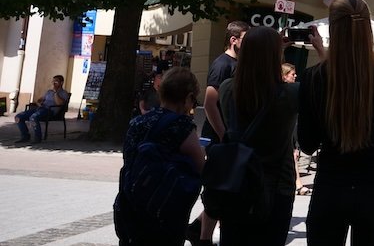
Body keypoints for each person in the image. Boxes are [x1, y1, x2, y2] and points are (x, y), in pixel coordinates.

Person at [298, 0, 374, 245]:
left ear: (333, 30)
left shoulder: (313, 78)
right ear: (367, 28)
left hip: (331, 185)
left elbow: (306, 142)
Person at [217, 26, 299, 246]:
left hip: (237, 180)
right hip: (277, 184)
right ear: (276, 57)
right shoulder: (291, 94)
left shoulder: (227, 89)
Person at [114, 67, 204, 246]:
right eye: (193, 101)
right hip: (163, 211)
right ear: (188, 98)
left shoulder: (137, 122)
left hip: (131, 207)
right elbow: (201, 166)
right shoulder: (181, 126)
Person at [187, 20, 248, 246]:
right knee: (219, 190)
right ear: (234, 40)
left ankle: (195, 229)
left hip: (228, 136)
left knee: (226, 189)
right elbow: (210, 103)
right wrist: (223, 134)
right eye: (245, 39)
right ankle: (202, 237)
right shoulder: (222, 64)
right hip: (219, 138)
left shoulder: (238, 63)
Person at [15, 75, 69, 143]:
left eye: (56, 81)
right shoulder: (49, 92)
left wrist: (55, 92)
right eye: (53, 81)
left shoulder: (64, 93)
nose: (54, 83)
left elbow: (59, 103)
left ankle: (38, 138)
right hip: (40, 109)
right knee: (18, 117)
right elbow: (40, 99)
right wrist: (39, 103)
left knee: (33, 117)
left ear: (61, 83)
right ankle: (25, 136)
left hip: (50, 111)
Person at [281, 63, 309, 196]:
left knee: (293, 155)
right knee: (292, 155)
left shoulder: (291, 91)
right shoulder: (289, 92)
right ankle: (297, 184)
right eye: (292, 74)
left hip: (292, 128)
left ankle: (297, 183)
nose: (295, 76)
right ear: (284, 76)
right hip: (287, 128)